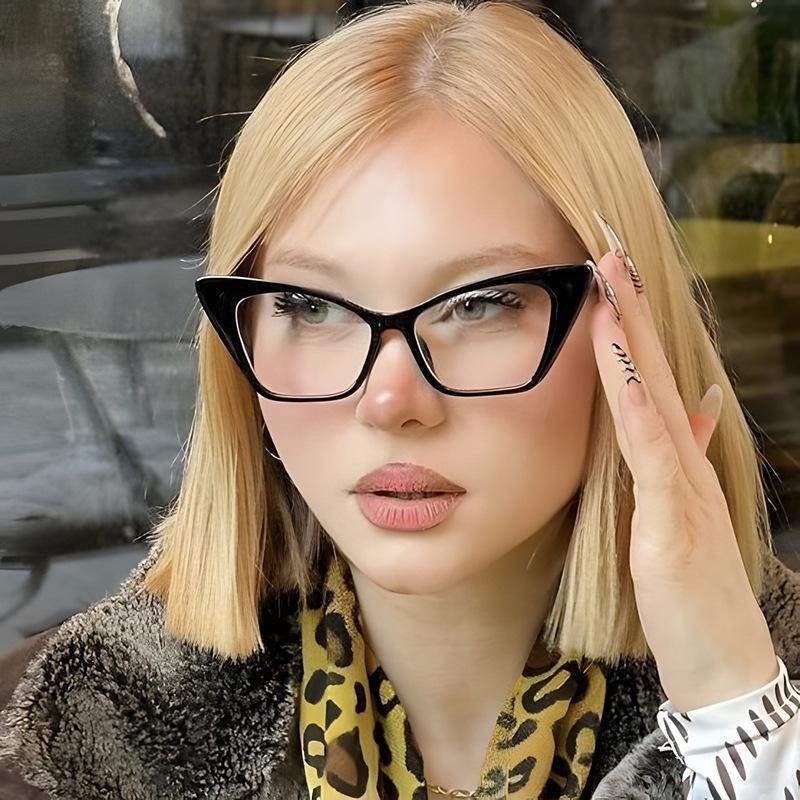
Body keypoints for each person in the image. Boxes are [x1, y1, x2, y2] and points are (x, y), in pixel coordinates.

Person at [1, 1, 799, 798]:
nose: (389, 401)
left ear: (626, 328)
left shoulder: (768, 693)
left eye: (481, 303)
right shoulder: (68, 739)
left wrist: (737, 713)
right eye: (310, 306)